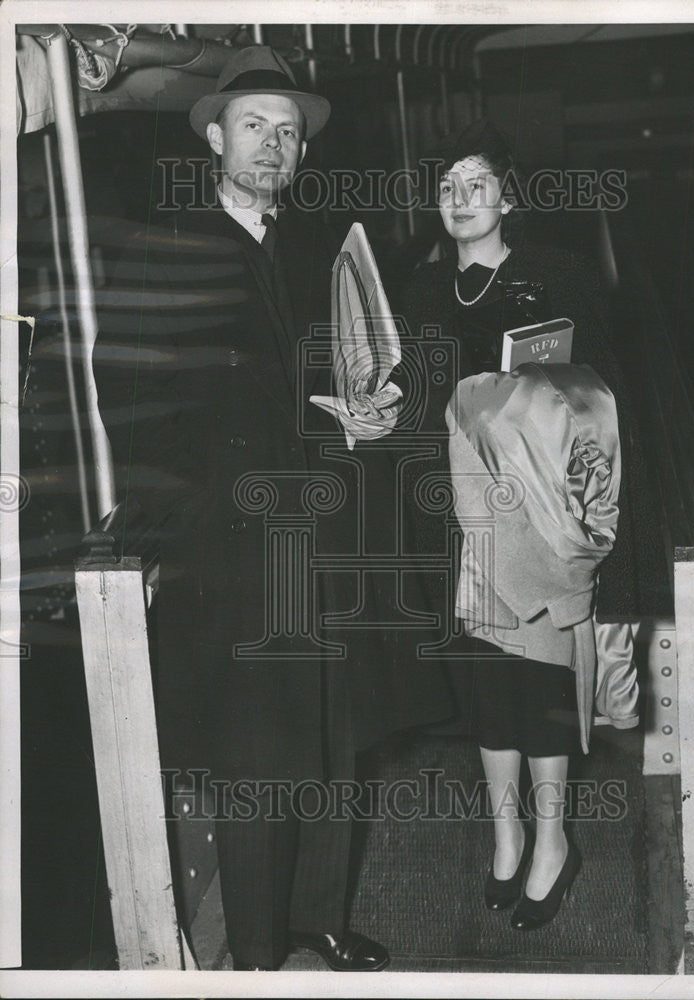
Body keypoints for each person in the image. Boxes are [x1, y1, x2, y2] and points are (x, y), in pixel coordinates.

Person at [92, 45, 411, 972]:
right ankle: (261, 951)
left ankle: (320, 915)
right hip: (234, 544)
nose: (273, 146)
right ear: (215, 139)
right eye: (253, 127)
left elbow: (372, 370)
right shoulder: (166, 245)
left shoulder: (329, 250)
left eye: (288, 133)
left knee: (333, 736)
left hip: (334, 529)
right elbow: (129, 400)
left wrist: (380, 414)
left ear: (302, 156)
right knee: (258, 751)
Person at [397, 120, 669, 929]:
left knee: (544, 686)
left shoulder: (555, 272)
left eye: (475, 184)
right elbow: (415, 399)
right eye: (446, 187)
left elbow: (603, 392)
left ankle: (553, 841)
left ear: (507, 197)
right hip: (465, 518)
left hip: (543, 520)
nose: (458, 199)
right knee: (485, 687)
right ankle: (506, 835)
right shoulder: (418, 289)